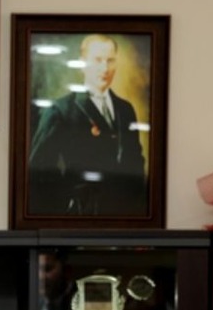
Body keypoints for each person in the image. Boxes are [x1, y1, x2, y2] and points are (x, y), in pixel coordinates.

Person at [28, 33, 147, 217]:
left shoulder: (125, 109)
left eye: (110, 60)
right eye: (98, 60)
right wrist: (68, 204)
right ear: (83, 63)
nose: (105, 68)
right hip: (80, 216)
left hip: (123, 217)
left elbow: (136, 163)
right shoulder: (60, 110)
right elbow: (39, 171)